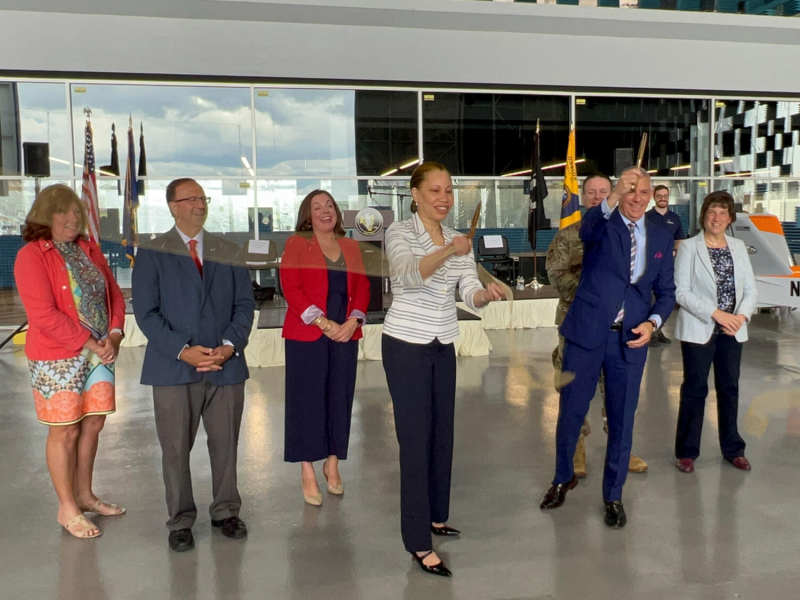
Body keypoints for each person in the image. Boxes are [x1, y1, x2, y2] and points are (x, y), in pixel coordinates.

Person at [382, 162, 504, 576]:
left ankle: (436, 515)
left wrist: (485, 295)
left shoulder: (458, 239)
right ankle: (417, 541)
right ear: (415, 194)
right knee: (414, 443)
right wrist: (451, 250)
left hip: (442, 343)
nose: (444, 198)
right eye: (435, 190)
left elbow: (467, 293)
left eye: (449, 191)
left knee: (441, 436)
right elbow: (409, 275)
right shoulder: (400, 232)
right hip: (405, 345)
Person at [539, 167, 676, 529]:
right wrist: (611, 195)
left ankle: (613, 494)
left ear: (652, 197)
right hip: (586, 333)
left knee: (621, 418)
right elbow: (587, 230)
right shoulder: (603, 224)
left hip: (630, 338)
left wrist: (653, 322)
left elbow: (666, 292)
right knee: (571, 410)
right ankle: (561, 477)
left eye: (643, 192)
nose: (637, 198)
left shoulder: (662, 234)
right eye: (630, 191)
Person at [132, 178, 255, 552]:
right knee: (174, 447)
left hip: (225, 366)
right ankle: (181, 519)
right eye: (190, 199)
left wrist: (229, 347)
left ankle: (226, 511)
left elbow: (244, 306)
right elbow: (146, 313)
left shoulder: (228, 250)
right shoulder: (153, 252)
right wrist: (183, 350)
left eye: (203, 198)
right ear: (172, 206)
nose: (199, 204)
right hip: (173, 368)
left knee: (226, 445)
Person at [14, 184, 126, 539]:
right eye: (63, 212)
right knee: (65, 431)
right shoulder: (31, 255)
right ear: (45, 217)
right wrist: (91, 341)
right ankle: (67, 507)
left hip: (100, 353)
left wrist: (115, 335)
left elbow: (114, 295)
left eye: (76, 212)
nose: (73, 218)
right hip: (57, 355)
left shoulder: (89, 249)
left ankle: (85, 495)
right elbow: (43, 313)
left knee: (93, 425)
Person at [546, 173, 648, 478]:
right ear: (583, 197)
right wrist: (594, 295)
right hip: (577, 324)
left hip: (618, 329)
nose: (597, 197)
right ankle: (576, 445)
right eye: (591, 193)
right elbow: (555, 273)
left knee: (618, 390)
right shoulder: (569, 234)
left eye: (604, 191)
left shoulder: (627, 234)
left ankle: (621, 446)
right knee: (574, 389)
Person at [280, 190, 370, 506]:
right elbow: (291, 287)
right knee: (307, 401)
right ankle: (307, 469)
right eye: (317, 207)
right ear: (308, 215)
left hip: (346, 335)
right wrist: (324, 323)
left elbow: (363, 287)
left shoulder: (350, 246)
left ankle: (332, 463)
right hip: (308, 335)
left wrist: (353, 322)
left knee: (339, 398)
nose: (325, 211)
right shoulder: (296, 244)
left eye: (329, 205)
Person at [673, 191, 757, 473]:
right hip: (700, 328)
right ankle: (686, 452)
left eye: (722, 213)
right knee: (695, 389)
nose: (716, 218)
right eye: (711, 212)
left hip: (733, 330)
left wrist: (740, 316)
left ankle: (733, 449)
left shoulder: (738, 246)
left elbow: (750, 289)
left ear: (730, 219)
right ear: (703, 216)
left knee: (729, 389)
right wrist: (716, 313)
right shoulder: (689, 248)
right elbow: (682, 292)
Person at [646, 184, 687, 347]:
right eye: (659, 195)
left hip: (668, 265)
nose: (663, 198)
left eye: (665, 195)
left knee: (666, 296)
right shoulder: (647, 217)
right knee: (650, 298)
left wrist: (675, 252)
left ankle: (659, 329)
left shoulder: (675, 218)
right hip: (650, 265)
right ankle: (652, 332)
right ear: (654, 197)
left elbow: (679, 239)